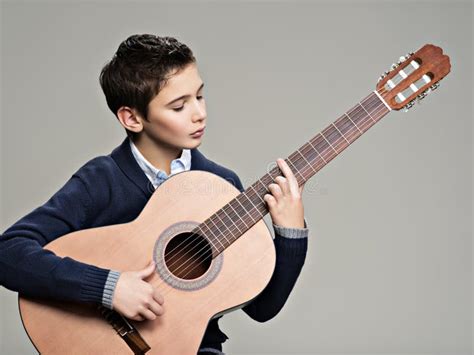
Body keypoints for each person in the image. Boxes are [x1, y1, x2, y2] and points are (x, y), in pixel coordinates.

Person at [0, 34, 309, 354]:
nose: (198, 113)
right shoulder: (102, 180)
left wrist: (290, 232)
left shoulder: (220, 184)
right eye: (179, 106)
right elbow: (8, 253)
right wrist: (109, 287)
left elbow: (261, 308)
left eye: (199, 97)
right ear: (132, 118)